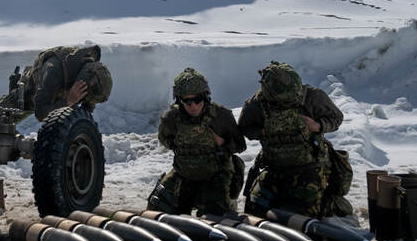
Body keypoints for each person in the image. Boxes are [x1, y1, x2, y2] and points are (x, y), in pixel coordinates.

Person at [0, 45, 112, 183]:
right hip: (33, 95)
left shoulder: (92, 71)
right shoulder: (53, 70)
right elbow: (41, 113)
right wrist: (69, 101)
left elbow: (87, 105)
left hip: (64, 97)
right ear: (81, 83)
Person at [238, 61, 351, 217]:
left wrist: (318, 125)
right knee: (255, 209)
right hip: (274, 166)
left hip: (310, 167)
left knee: (303, 214)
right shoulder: (257, 103)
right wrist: (262, 132)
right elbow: (245, 127)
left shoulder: (312, 97)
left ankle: (332, 202)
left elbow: (336, 118)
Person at [147, 67, 246, 216]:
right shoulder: (172, 118)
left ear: (205, 97)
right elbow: (164, 138)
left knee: (215, 216)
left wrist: (223, 143)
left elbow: (240, 145)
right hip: (184, 173)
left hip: (215, 175)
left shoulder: (221, 116)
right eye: (187, 101)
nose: (193, 106)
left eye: (197, 99)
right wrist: (179, 147)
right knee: (156, 207)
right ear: (179, 101)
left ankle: (228, 202)